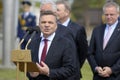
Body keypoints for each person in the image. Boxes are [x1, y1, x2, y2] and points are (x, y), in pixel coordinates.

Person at [27, 11, 77, 80]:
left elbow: (70, 69)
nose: (46, 25)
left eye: (50, 22)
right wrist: (31, 74)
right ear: (39, 25)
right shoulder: (33, 43)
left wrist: (49, 72)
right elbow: (28, 68)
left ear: (56, 26)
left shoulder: (66, 44)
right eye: (43, 22)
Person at [87, 2, 120, 80]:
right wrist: (95, 67)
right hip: (98, 76)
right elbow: (90, 53)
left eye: (111, 14)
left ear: (118, 14)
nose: (108, 17)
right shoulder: (97, 30)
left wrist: (112, 70)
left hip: (116, 76)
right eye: (106, 14)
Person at [56, 1, 88, 80]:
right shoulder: (52, 27)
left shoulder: (78, 29)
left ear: (67, 12)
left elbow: (83, 52)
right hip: (54, 73)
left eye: (58, 10)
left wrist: (75, 66)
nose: (55, 12)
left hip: (71, 75)